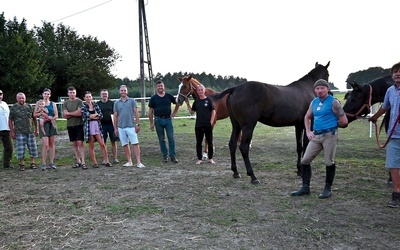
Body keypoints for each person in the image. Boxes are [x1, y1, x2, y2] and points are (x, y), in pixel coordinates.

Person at [291, 79, 348, 198]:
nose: (320, 90)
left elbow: (344, 121)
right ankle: (305, 187)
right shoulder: (314, 102)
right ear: (314, 90)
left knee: (329, 161)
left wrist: (331, 125)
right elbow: (307, 117)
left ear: (328, 89)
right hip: (316, 136)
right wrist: (308, 131)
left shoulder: (334, 102)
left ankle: (327, 188)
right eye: (317, 88)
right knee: (305, 160)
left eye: (322, 88)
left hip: (329, 135)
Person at [369, 62, 400, 208]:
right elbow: (385, 107)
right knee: (393, 164)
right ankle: (396, 193)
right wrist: (375, 116)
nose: (397, 74)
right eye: (395, 72)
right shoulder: (390, 91)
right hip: (393, 135)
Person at [113, 85, 145, 168]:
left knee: (135, 143)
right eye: (122, 90)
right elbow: (115, 116)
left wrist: (137, 124)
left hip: (131, 126)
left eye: (124, 90)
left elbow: (136, 113)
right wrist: (115, 128)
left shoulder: (132, 101)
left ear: (127, 91)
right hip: (121, 127)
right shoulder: (116, 103)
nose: (123, 92)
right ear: (119, 92)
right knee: (125, 144)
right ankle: (129, 161)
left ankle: (138, 162)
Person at [149, 80, 180, 163]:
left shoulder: (169, 96)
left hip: (168, 120)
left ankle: (172, 156)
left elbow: (177, 104)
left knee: (171, 138)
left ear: (164, 87)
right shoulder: (153, 98)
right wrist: (151, 123)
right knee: (161, 139)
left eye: (161, 86)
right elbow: (150, 111)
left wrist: (174, 113)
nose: (160, 87)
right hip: (158, 120)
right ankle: (165, 156)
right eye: (158, 86)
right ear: (156, 88)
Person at [187, 84, 216, 165]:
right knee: (198, 142)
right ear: (197, 91)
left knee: (209, 142)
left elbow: (213, 111)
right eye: (198, 90)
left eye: (201, 90)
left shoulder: (209, 100)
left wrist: (211, 122)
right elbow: (192, 112)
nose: (200, 91)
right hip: (199, 125)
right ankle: (199, 159)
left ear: (204, 91)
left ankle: (210, 158)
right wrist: (188, 103)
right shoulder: (196, 101)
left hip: (207, 125)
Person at [9, 92, 39, 171]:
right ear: (17, 99)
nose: (21, 99)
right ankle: (22, 164)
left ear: (25, 98)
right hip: (19, 132)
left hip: (30, 131)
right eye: (20, 98)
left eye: (23, 98)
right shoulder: (13, 108)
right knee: (20, 149)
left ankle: (32, 163)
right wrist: (12, 132)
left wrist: (37, 129)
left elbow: (34, 118)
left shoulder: (29, 107)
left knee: (32, 148)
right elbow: (10, 120)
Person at [82, 91, 112, 168]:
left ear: (92, 97)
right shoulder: (84, 107)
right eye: (87, 97)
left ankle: (107, 161)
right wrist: (94, 116)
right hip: (89, 127)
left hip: (97, 126)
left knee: (102, 144)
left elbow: (100, 115)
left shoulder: (96, 105)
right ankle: (95, 162)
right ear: (85, 98)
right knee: (91, 145)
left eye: (89, 96)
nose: (88, 98)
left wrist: (93, 116)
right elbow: (86, 116)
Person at [34, 89, 58, 171]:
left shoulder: (53, 104)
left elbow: (56, 115)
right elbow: (34, 114)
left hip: (51, 123)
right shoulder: (39, 103)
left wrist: (51, 118)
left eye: (48, 94)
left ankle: (51, 162)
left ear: (50, 95)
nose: (46, 95)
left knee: (52, 144)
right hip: (43, 124)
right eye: (45, 94)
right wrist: (41, 113)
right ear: (42, 94)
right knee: (45, 144)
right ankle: (43, 163)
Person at [63, 86, 87, 170]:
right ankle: (78, 161)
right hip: (70, 125)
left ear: (75, 93)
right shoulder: (65, 103)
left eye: (73, 92)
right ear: (68, 93)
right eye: (70, 92)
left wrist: (69, 113)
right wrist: (73, 113)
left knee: (80, 143)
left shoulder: (79, 101)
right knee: (74, 144)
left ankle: (83, 161)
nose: (72, 94)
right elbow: (65, 115)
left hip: (79, 124)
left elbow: (80, 113)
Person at [97, 89, 119, 164]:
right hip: (102, 125)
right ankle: (105, 159)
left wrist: (116, 125)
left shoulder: (112, 103)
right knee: (104, 142)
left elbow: (115, 114)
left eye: (105, 94)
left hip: (111, 125)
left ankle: (115, 158)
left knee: (114, 141)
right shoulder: (98, 104)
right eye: (103, 94)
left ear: (108, 95)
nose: (104, 95)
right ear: (100, 95)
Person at [0, 90, 14, 169]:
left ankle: (6, 164)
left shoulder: (5, 104)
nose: (0, 96)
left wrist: (11, 126)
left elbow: (9, 116)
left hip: (6, 129)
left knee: (9, 147)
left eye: (1, 94)